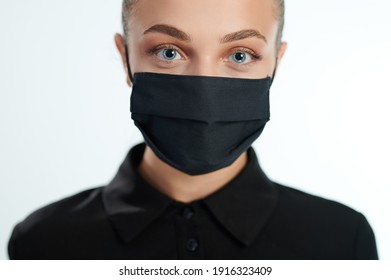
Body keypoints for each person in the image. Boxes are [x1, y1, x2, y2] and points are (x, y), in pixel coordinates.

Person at [8, 0, 378, 259]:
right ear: (126, 59)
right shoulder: (42, 243)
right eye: (169, 52)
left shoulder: (342, 240)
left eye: (239, 55)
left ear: (275, 64)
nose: (204, 89)